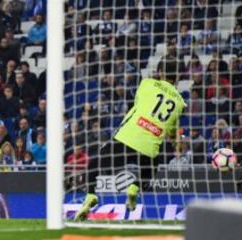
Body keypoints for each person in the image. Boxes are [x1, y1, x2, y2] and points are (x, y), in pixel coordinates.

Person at [74, 60, 186, 220]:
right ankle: (135, 187)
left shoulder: (147, 83)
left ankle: (90, 195)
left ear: (160, 71)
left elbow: (139, 106)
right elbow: (172, 130)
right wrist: (176, 142)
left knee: (94, 165)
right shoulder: (180, 102)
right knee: (153, 166)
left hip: (127, 137)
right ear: (178, 76)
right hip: (148, 146)